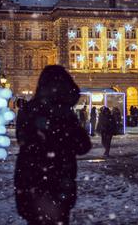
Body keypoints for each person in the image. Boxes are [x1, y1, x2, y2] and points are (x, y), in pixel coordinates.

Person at [14, 65, 91, 225]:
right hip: (58, 186)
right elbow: (83, 145)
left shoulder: (28, 109)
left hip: (31, 185)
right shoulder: (63, 112)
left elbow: (23, 141)